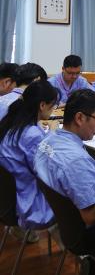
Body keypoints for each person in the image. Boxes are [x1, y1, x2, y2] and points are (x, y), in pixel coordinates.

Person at [35, 89, 95, 255]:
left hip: (65, 222)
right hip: (90, 236)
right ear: (79, 118)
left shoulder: (49, 140)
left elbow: (75, 178)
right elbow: (91, 216)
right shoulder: (76, 161)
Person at [0, 81, 57, 230]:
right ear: (42, 105)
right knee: (72, 201)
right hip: (28, 202)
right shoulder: (32, 134)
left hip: (7, 198)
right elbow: (45, 171)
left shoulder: (10, 122)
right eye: (52, 106)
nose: (53, 110)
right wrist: (51, 134)